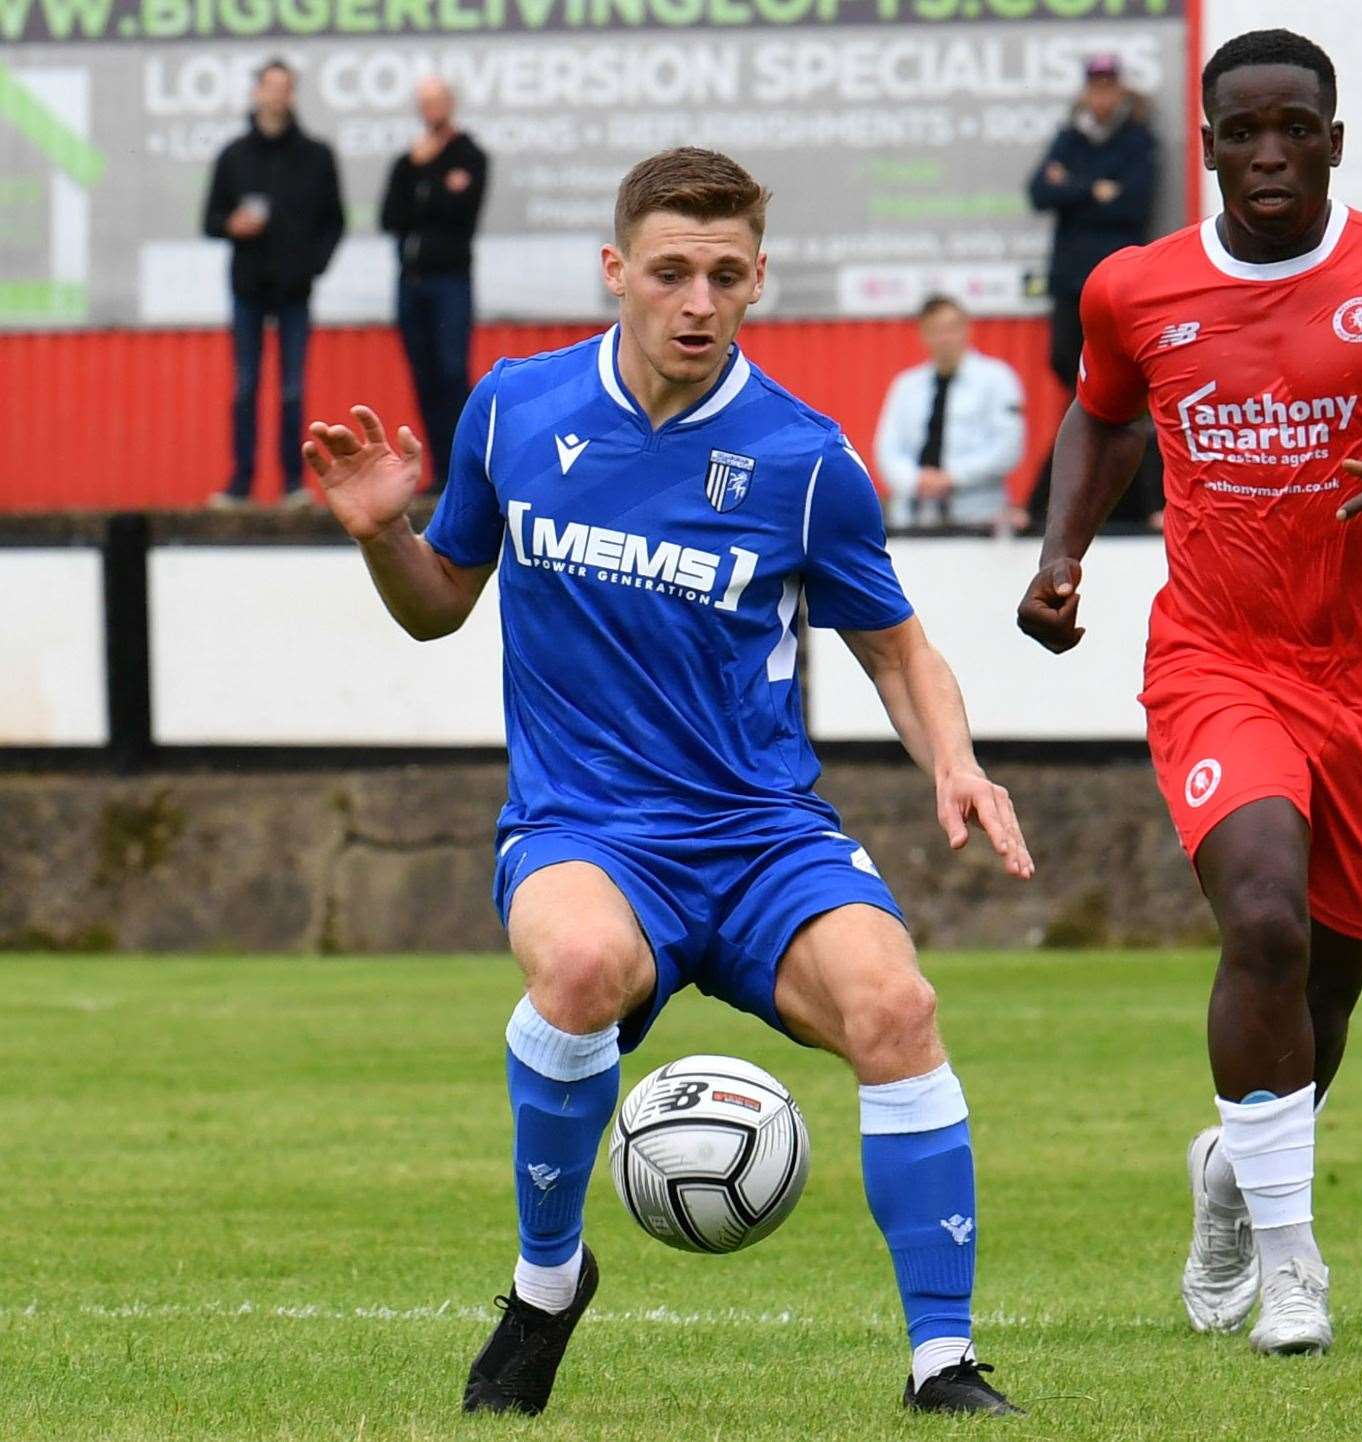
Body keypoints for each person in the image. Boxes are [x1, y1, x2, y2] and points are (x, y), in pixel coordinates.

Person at [305, 148, 1030, 1419]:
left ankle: (942, 1361)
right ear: (615, 273)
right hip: (584, 826)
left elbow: (896, 647)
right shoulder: (513, 411)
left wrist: (956, 760)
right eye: (670, 272)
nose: (696, 300)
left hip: (761, 836)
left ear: (759, 280)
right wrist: (386, 538)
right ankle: (544, 1287)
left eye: (725, 274)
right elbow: (436, 611)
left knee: (896, 1004)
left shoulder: (805, 459)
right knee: (576, 967)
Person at [1016, 29, 1362, 1356]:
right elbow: (1103, 414)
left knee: (1323, 994)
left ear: (1331, 139)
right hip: (1216, 657)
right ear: (1203, 144)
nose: (1265, 152)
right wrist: (1062, 553)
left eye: (1291, 127)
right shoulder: (1133, 288)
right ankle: (1295, 1266)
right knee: (1258, 919)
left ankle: (1232, 1177)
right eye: (1240, 130)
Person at [1025, 54, 1162, 528]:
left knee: (1123, 389)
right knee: (1074, 380)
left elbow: (1134, 205)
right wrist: (1096, 190)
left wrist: (1072, 188)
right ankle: (1076, 499)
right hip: (1069, 283)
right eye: (1094, 86)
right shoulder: (1070, 136)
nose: (1101, 96)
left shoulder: (1137, 139)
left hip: (1117, 286)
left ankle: (1144, 503)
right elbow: (1038, 193)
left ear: (1120, 90)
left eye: (1109, 86)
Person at [202, 59, 345, 509]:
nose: (277, 95)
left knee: (292, 389)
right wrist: (232, 225)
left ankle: (291, 484)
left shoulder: (316, 156)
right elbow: (209, 220)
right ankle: (240, 483)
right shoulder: (234, 156)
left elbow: (334, 222)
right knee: (245, 386)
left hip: (294, 291)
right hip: (248, 287)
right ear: (257, 93)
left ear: (293, 95)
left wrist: (311, 266)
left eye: (286, 87)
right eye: (270, 86)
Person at [380, 77, 489, 494]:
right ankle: (441, 473)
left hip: (450, 283)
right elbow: (391, 217)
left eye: (437, 101)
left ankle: (467, 474)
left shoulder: (470, 155)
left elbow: (461, 215)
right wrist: (417, 169)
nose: (431, 109)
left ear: (451, 104)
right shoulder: (407, 161)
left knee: (451, 374)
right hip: (411, 283)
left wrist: (432, 175)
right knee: (424, 377)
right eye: (423, 102)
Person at [873, 295, 1026, 531]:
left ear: (967, 329)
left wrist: (952, 477)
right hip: (913, 517)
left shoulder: (997, 378)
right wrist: (917, 480)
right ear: (922, 335)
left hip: (979, 517)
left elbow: (1007, 449)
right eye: (935, 330)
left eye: (951, 328)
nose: (944, 338)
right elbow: (887, 450)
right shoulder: (906, 385)